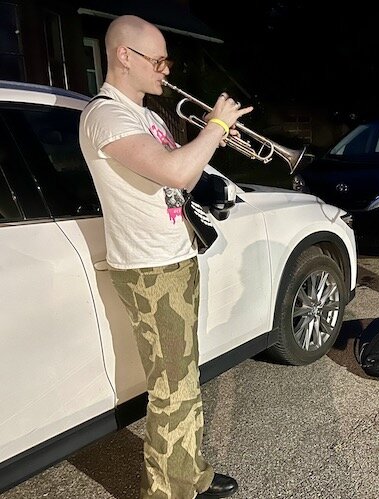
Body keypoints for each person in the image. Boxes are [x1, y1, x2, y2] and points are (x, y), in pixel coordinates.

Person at [79, 14, 252, 498]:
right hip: (149, 269)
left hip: (175, 257)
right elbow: (174, 172)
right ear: (124, 56)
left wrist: (216, 141)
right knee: (171, 391)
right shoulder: (106, 114)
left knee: (185, 381)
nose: (166, 71)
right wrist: (215, 126)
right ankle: (168, 493)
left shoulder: (149, 116)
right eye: (158, 60)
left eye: (166, 61)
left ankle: (188, 475)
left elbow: (188, 174)